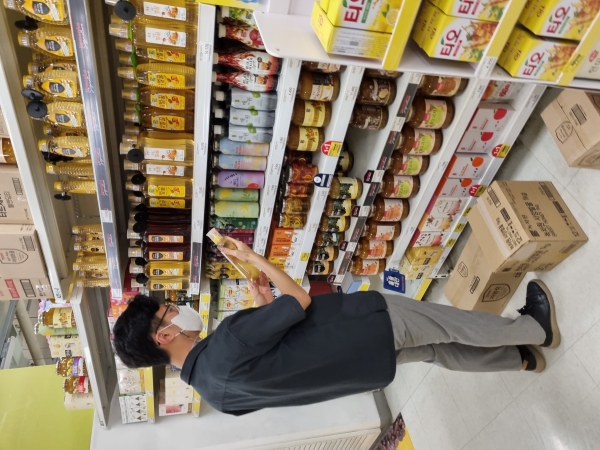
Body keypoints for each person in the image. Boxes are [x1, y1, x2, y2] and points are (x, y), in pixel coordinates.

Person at [113, 238, 560, 416]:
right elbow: (300, 301)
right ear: (163, 337)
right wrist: (253, 259)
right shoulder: (227, 341)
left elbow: (276, 362)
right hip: (361, 327)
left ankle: (518, 359)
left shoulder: (214, 393)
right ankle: (534, 330)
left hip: (361, 367)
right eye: (168, 311)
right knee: (450, 325)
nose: (177, 309)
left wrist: (261, 303)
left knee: (437, 350)